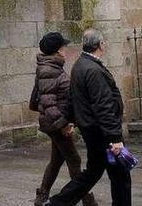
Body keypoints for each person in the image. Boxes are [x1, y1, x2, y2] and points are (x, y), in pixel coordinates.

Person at [46, 29, 131, 206]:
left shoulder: (80, 64)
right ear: (100, 44)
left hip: (93, 131)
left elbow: (73, 97)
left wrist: (69, 120)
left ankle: (57, 203)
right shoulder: (93, 69)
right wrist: (115, 138)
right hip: (103, 134)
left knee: (93, 173)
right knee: (120, 175)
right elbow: (103, 106)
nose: (105, 44)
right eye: (104, 42)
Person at [30, 32, 99, 206]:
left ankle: (42, 196)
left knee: (57, 160)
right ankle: (86, 200)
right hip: (56, 124)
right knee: (74, 159)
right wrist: (63, 125)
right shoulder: (49, 70)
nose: (65, 50)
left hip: (55, 123)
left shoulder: (52, 67)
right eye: (63, 47)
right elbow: (48, 103)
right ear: (57, 51)